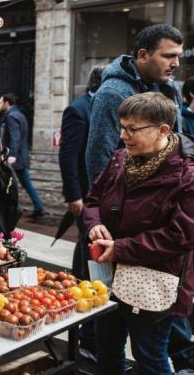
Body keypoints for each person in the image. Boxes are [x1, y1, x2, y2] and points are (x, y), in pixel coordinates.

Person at [84, 25, 194, 369]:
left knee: (149, 356)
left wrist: (124, 248)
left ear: (164, 131)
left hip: (155, 279)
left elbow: (181, 235)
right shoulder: (120, 158)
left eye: (132, 130)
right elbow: (92, 198)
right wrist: (95, 225)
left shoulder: (186, 173)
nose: (123, 136)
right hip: (110, 270)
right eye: (122, 128)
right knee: (108, 349)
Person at [86, 24, 184, 185]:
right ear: (144, 55)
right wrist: (102, 205)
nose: (176, 63)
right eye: (168, 56)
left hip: (170, 191)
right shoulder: (112, 93)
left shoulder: (170, 87)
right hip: (132, 196)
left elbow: (177, 138)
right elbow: (99, 158)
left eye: (178, 56)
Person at [58, 65, 103, 361]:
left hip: (101, 199)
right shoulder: (79, 109)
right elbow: (68, 154)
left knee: (89, 254)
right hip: (86, 196)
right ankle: (86, 331)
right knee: (89, 257)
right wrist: (74, 194)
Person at [0, 93, 43, 219]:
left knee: (7, 183)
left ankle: (8, 210)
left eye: (0, 102)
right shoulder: (19, 115)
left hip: (16, 158)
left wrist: (12, 155)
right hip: (21, 156)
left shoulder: (11, 116)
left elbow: (15, 136)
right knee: (24, 182)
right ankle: (38, 206)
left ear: (7, 103)